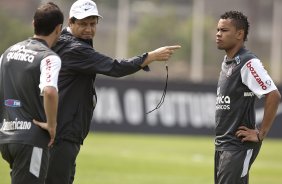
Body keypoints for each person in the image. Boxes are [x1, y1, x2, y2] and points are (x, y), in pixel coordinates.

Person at [43, 0, 181, 183]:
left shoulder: (64, 41)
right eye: (83, 24)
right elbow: (114, 67)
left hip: (62, 129)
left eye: (93, 24)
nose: (89, 29)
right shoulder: (75, 48)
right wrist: (150, 57)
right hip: (63, 131)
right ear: (71, 22)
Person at [214, 10, 281, 184]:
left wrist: (261, 134)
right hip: (224, 146)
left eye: (224, 30)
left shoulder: (248, 62)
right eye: (218, 30)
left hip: (237, 146)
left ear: (239, 34)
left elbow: (273, 95)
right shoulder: (227, 61)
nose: (218, 34)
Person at [0, 2, 64, 184]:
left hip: (6, 137)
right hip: (31, 140)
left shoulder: (8, 52)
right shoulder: (48, 57)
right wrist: (52, 125)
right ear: (59, 29)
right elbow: (50, 91)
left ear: (33, 23)